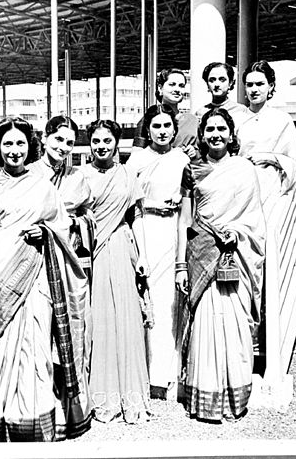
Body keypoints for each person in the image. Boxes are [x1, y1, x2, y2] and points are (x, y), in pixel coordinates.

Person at [0, 117, 90, 441]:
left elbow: (63, 230)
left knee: (36, 347)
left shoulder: (44, 187)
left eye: (20, 143)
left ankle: (33, 423)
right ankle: (0, 424)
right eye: (7, 143)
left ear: (30, 146)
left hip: (36, 278)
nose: (14, 150)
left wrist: (45, 232)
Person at [175, 108, 266, 422]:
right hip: (202, 252)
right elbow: (186, 218)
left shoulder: (244, 169)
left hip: (234, 256)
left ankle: (234, 399)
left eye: (221, 129)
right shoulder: (192, 169)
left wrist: (237, 234)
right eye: (209, 129)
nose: (215, 134)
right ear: (202, 135)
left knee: (234, 324)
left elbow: (255, 219)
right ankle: (205, 400)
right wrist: (180, 264)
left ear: (231, 134)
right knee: (206, 324)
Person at [81, 119, 152, 423]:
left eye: (107, 140)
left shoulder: (127, 174)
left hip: (122, 246)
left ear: (117, 143)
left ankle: (130, 395)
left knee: (124, 316)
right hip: (93, 251)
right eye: (96, 141)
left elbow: (135, 216)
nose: (101, 146)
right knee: (99, 318)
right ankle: (102, 395)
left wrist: (143, 255)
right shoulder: (81, 175)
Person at [126, 105, 190, 400]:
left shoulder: (181, 159)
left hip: (173, 232)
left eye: (167, 126)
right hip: (146, 230)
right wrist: (152, 206)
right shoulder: (137, 160)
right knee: (148, 301)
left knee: (170, 304)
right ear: (147, 130)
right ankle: (147, 375)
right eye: (156, 126)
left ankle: (169, 374)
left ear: (174, 130)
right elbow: (126, 200)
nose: (162, 131)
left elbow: (192, 196)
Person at [28, 115, 95, 276]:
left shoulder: (76, 176)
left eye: (69, 143)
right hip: (33, 250)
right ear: (44, 138)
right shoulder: (28, 173)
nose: (63, 147)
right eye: (58, 139)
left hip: (68, 250)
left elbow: (89, 217)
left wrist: (71, 222)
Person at [237, 60, 296, 220]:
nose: (254, 90)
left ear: (270, 86)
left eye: (260, 84)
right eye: (249, 85)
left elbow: (294, 162)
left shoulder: (282, 119)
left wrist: (268, 157)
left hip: (271, 187)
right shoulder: (236, 119)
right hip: (241, 186)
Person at [132, 68, 198, 155]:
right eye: (172, 84)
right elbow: (136, 154)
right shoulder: (149, 119)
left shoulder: (192, 120)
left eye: (181, 85)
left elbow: (203, 150)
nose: (177, 89)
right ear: (160, 88)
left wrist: (193, 150)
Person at [194, 62, 248, 128]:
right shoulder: (200, 113)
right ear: (207, 84)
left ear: (230, 83)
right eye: (212, 80)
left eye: (222, 80)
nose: (216, 84)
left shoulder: (241, 110)